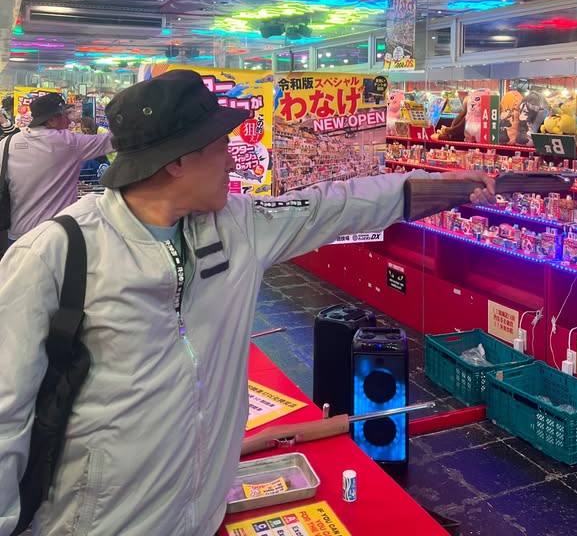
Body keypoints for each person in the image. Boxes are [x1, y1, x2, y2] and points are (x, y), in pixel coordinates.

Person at [0, 70, 496, 536]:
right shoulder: (56, 254)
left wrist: (444, 186)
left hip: (200, 515)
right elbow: (6, 415)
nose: (234, 161)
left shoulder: (237, 226)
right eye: (221, 147)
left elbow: (333, 204)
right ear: (176, 160)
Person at [0, 93, 114, 244]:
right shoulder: (69, 143)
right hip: (55, 235)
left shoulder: (7, 144)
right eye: (65, 116)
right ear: (52, 120)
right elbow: (112, 140)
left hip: (17, 236)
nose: (69, 122)